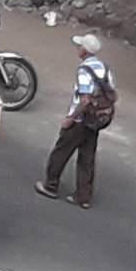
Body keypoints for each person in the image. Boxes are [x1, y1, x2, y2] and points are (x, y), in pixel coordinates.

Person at [34, 32, 115, 209]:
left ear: (84, 51)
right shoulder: (105, 68)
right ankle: (83, 196)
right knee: (87, 157)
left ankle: (51, 186)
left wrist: (71, 118)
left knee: (60, 152)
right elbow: (113, 94)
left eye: (80, 47)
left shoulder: (84, 70)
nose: (77, 49)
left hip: (81, 120)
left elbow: (84, 100)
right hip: (96, 120)